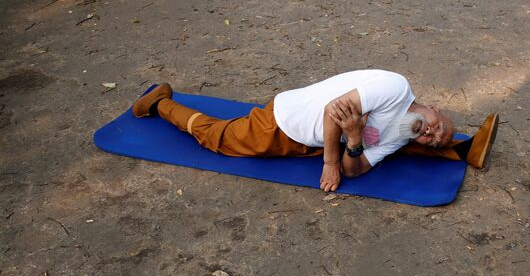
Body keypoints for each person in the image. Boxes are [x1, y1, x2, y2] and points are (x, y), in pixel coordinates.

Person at [132, 69, 499, 192]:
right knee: (220, 139)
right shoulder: (394, 88)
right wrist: (330, 161)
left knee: (398, 142)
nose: (429, 133)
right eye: (438, 128)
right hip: (286, 123)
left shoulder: (403, 134)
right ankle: (160, 101)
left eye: (434, 140)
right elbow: (332, 110)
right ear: (435, 107)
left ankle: (461, 150)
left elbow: (354, 170)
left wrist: (354, 142)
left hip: (333, 139)